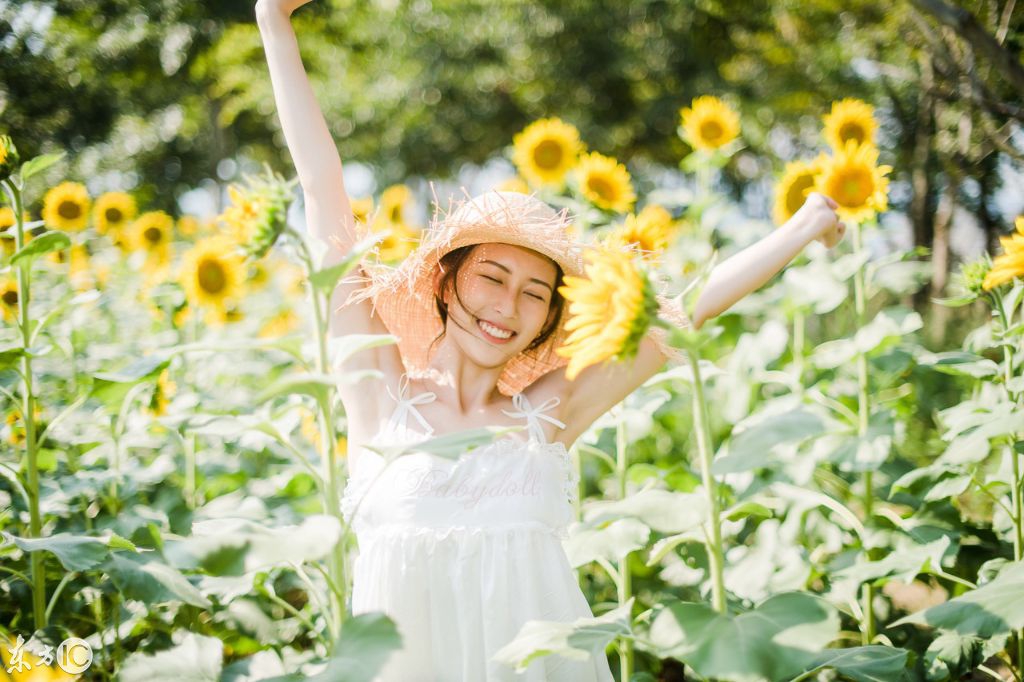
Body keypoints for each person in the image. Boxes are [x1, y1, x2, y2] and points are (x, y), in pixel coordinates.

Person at [255, 1, 847, 679]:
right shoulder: (378, 394)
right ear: (446, 285)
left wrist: (802, 226)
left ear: (548, 322)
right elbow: (323, 195)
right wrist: (274, 18)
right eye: (492, 277)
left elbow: (684, 314)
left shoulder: (547, 415)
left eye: (535, 294)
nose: (506, 306)